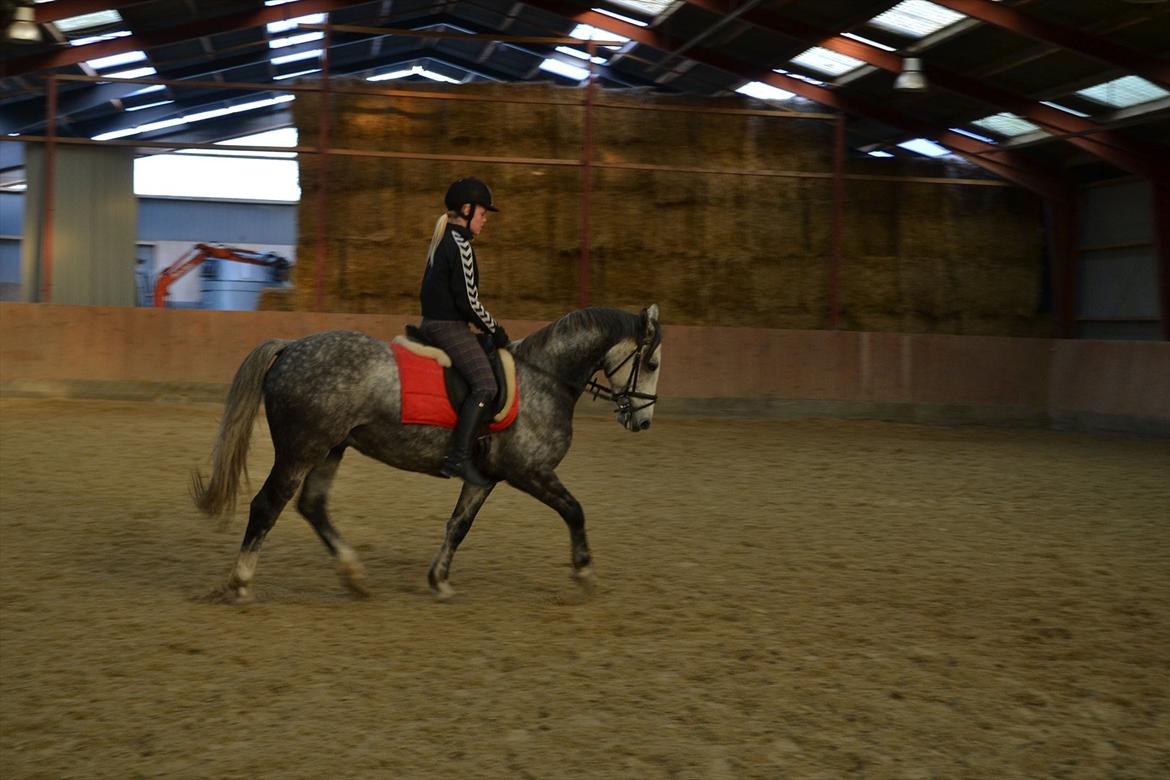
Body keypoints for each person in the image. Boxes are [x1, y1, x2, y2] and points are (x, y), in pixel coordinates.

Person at [419, 176, 511, 487]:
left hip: (434, 322)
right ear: (468, 210)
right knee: (486, 384)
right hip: (447, 327)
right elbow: (469, 302)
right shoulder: (460, 246)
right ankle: (457, 458)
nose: (485, 221)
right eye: (484, 214)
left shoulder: (444, 239)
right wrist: (495, 328)